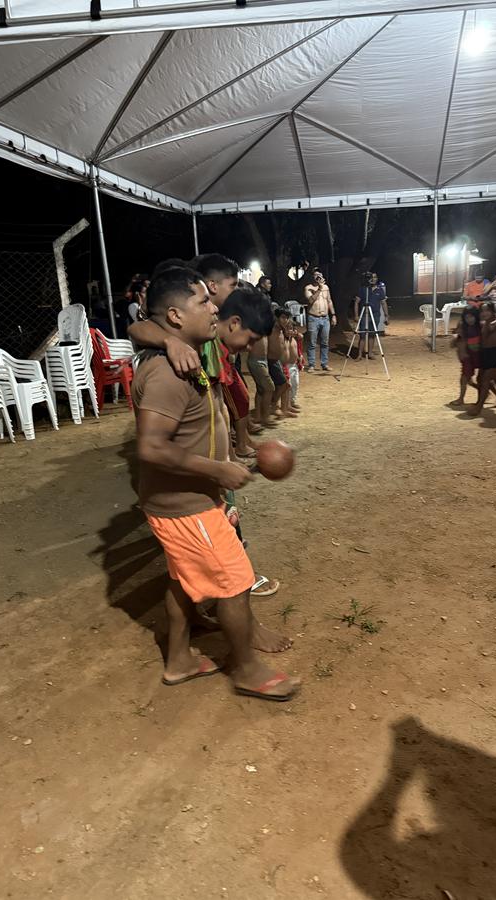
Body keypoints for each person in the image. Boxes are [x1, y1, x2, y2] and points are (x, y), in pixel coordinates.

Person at [132, 267, 298, 701]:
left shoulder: (192, 353)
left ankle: (179, 660)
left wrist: (221, 471)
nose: (213, 308)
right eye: (203, 301)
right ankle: (246, 669)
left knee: (182, 581)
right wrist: (217, 471)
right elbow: (150, 447)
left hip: (190, 498)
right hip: (183, 504)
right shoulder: (168, 372)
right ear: (174, 316)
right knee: (235, 580)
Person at [468, 301, 496, 417]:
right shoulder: (485, 323)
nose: (484, 313)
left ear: (493, 311)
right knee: (482, 379)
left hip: (494, 353)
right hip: (485, 353)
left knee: (485, 380)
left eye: (487, 310)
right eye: (482, 311)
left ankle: (479, 406)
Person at [303, 269, 336, 372]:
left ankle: (324, 364)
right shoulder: (308, 288)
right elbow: (310, 300)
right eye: (316, 275)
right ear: (312, 277)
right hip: (313, 318)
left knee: (325, 342)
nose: (318, 277)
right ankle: (311, 364)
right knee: (312, 342)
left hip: (325, 318)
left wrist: (333, 315)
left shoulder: (326, 288)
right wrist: (319, 289)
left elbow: (329, 301)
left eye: (319, 275)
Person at [449, 306, 481, 407]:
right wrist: (456, 337)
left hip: (472, 358)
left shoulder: (478, 328)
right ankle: (485, 393)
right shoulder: (461, 335)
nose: (469, 319)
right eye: (467, 317)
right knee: (468, 381)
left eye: (471, 317)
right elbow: (452, 345)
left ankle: (462, 399)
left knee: (466, 379)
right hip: (466, 359)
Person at [353, 272, 389, 360]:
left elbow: (383, 303)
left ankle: (370, 353)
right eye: (371, 277)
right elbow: (356, 302)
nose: (373, 279)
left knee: (372, 334)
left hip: (375, 315)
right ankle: (359, 354)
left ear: (377, 279)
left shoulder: (380, 290)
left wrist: (386, 316)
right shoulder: (363, 289)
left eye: (375, 277)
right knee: (362, 335)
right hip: (364, 315)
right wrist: (356, 315)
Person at [268, 308, 296, 418]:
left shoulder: (281, 330)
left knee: (285, 385)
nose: (286, 320)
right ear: (276, 318)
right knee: (284, 385)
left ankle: (283, 408)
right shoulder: (271, 328)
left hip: (278, 362)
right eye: (283, 317)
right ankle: (273, 404)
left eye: (287, 318)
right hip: (271, 361)